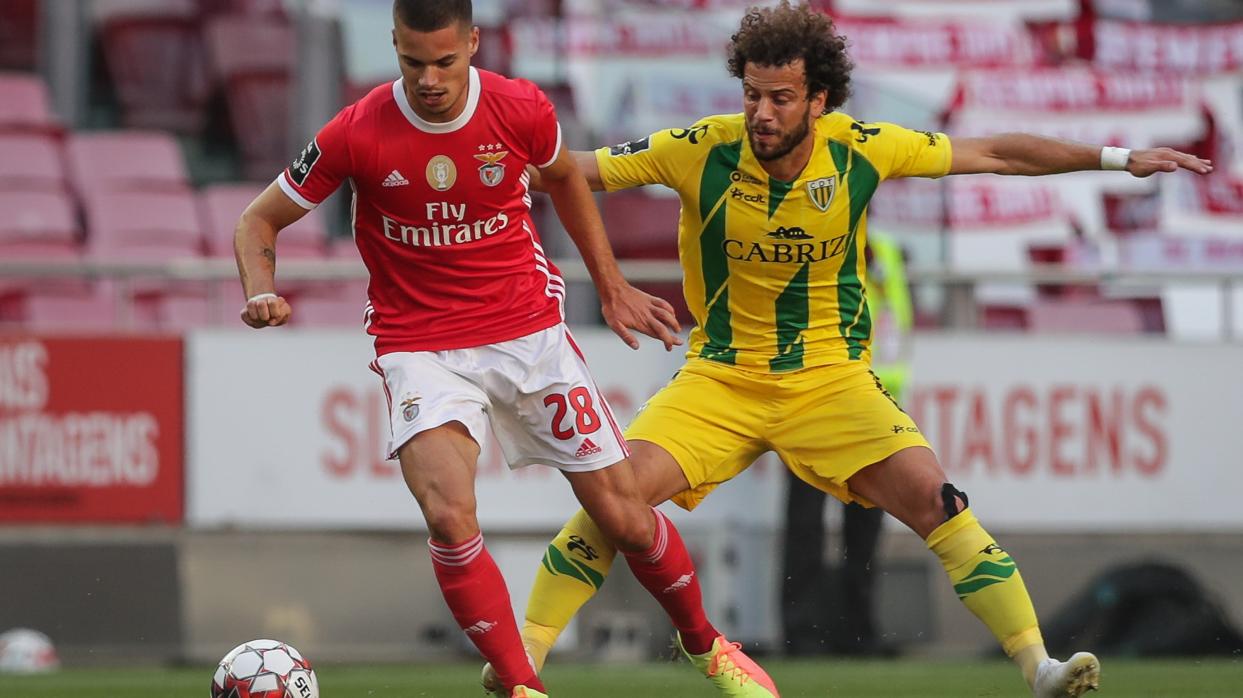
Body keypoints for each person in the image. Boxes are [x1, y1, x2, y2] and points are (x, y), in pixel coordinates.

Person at [483, 2, 1213, 696]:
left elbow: (996, 153)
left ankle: (1039, 668)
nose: (761, 113)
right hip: (720, 380)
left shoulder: (864, 149)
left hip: (831, 381)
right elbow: (571, 168)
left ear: (819, 99)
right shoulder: (700, 147)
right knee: (613, 501)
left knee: (938, 498)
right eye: (752, 95)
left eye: (779, 98)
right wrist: (479, 158)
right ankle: (521, 665)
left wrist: (1117, 158)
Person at [231, 2, 779, 697]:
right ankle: (522, 686)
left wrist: (611, 287)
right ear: (395, 47)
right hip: (419, 344)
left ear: (472, 44)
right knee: (449, 513)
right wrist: (260, 289)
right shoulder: (356, 128)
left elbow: (565, 181)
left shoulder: (520, 108)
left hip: (527, 335)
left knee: (622, 516)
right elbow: (258, 220)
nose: (428, 79)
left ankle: (705, 645)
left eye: (444, 61)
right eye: (411, 62)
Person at [780, 231, 909, 657]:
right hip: (813, 402)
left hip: (873, 409)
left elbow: (896, 325)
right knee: (806, 524)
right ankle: (801, 633)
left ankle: (859, 633)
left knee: (865, 527)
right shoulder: (813, 238)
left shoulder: (886, 252)